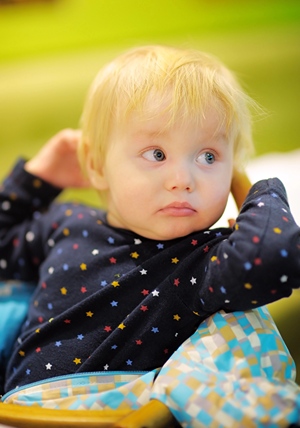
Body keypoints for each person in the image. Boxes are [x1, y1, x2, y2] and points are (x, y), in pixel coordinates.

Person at [0, 45, 299, 394]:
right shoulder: (65, 222)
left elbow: (276, 258)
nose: (182, 179)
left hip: (106, 416)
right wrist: (37, 179)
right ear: (96, 166)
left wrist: (249, 187)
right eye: (157, 154)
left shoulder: (203, 259)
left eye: (209, 156)